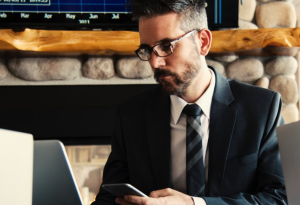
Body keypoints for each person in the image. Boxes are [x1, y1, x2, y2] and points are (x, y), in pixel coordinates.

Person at [91, 0, 287, 204]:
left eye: (166, 46)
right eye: (147, 50)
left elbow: (281, 197)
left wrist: (194, 204)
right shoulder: (131, 115)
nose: (155, 62)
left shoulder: (262, 108)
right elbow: (109, 198)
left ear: (203, 42)